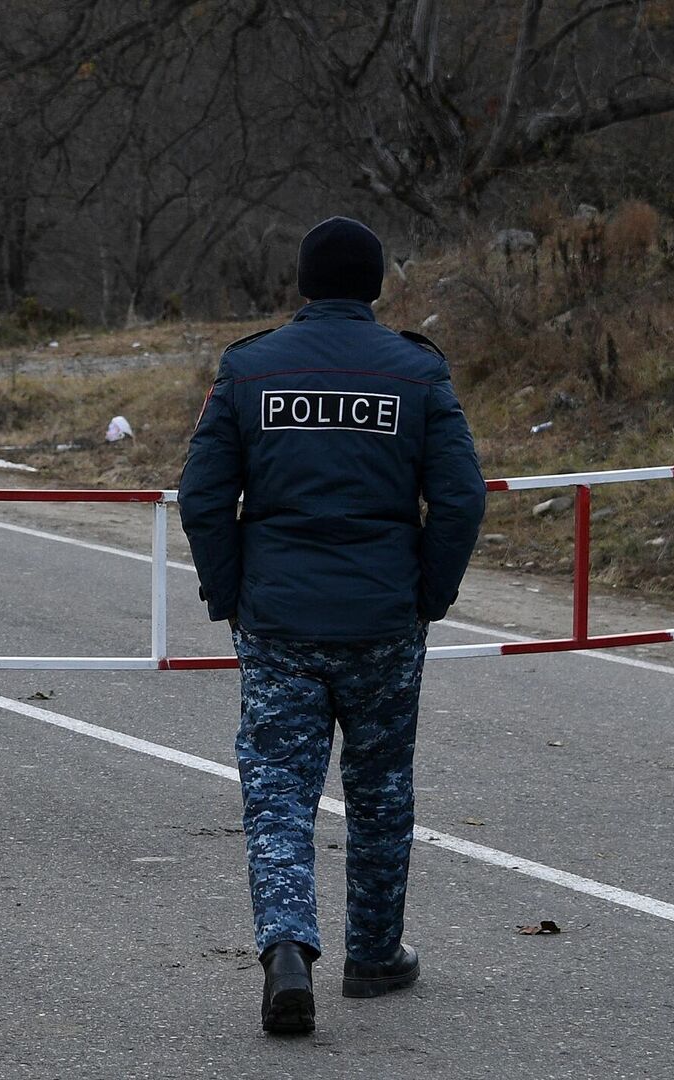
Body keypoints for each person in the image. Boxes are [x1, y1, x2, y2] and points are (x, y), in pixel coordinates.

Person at [178, 216, 485, 1035]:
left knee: (279, 789)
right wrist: (431, 593)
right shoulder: (417, 373)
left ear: (306, 283)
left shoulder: (249, 369)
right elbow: (460, 497)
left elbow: (203, 496)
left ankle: (286, 947)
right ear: (376, 285)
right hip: (384, 618)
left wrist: (231, 594)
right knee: (380, 790)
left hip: (278, 618)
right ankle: (375, 954)